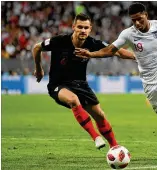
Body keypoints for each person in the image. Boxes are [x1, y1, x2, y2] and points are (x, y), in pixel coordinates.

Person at [75, 3, 157, 159]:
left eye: (139, 19)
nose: (137, 23)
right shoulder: (128, 34)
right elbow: (109, 50)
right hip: (148, 80)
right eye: (133, 20)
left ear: (145, 15)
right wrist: (91, 54)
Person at [32, 13, 135, 150]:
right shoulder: (59, 41)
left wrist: (139, 58)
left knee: (100, 116)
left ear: (90, 28)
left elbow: (117, 52)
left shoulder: (92, 43)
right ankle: (95, 137)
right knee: (73, 100)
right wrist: (39, 69)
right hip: (58, 85)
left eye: (86, 27)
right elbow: (36, 48)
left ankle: (115, 147)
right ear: (73, 27)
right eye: (80, 27)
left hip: (81, 85)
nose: (83, 30)